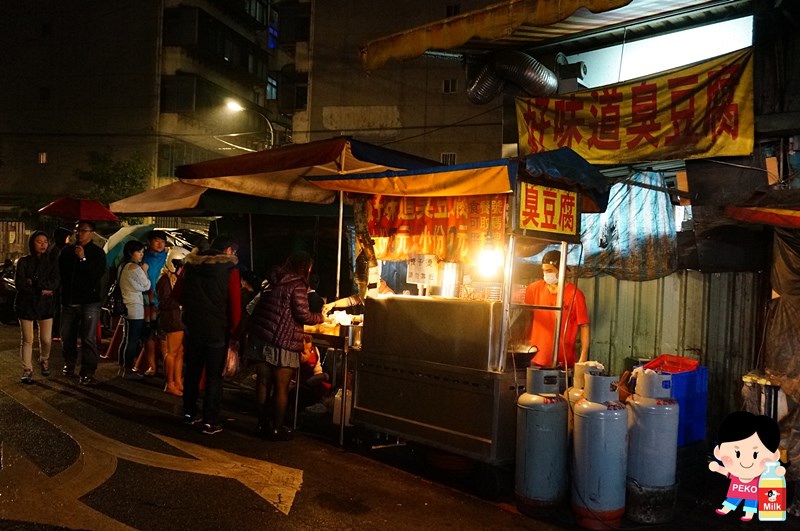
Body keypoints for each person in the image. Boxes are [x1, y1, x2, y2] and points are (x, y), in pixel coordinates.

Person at [248, 251, 324, 440]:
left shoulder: (271, 280)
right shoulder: (297, 285)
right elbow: (303, 315)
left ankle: (261, 424)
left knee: (263, 382)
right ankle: (277, 428)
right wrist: (320, 317)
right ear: (306, 268)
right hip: (283, 341)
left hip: (262, 336)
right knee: (281, 387)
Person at [173, 235, 241, 435]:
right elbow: (235, 307)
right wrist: (235, 333)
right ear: (228, 250)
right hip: (217, 331)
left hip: (194, 327)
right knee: (213, 377)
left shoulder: (191, 266)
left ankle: (188, 414)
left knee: (192, 372)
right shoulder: (230, 271)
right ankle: (210, 420)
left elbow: (176, 294)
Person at [709, 411, 785, 522]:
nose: (745, 461)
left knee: (751, 503)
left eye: (755, 454)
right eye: (737, 453)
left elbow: (772, 475)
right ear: (718, 452)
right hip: (737, 489)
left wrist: (777, 471)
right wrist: (718, 468)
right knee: (732, 500)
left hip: (753, 492)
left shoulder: (762, 475)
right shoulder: (735, 473)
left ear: (774, 456)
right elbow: (726, 472)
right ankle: (726, 509)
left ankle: (748, 515)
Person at [59, 220, 107, 385]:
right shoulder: (66, 251)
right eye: (77, 230)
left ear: (92, 232)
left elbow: (96, 275)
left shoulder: (97, 253)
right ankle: (70, 362)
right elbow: (60, 274)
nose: (79, 233)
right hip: (69, 300)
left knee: (88, 338)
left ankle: (88, 371)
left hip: (89, 301)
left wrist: (83, 259)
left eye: (83, 230)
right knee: (67, 335)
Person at [524, 250, 590, 368]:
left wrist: (583, 356)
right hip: (535, 357)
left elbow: (584, 326)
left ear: (562, 271)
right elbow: (524, 316)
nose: (546, 275)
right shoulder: (534, 289)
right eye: (544, 271)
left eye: (549, 271)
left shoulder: (575, 295)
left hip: (563, 360)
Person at [14, 231, 60, 383]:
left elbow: (55, 283)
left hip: (45, 306)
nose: (43, 244)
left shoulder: (52, 262)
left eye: (45, 241)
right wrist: (41, 290)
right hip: (26, 305)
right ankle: (27, 369)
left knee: (46, 339)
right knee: (27, 339)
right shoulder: (24, 261)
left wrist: (33, 283)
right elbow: (20, 284)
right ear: (32, 243)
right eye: (39, 241)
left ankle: (44, 359)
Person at [133, 230, 168, 376]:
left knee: (163, 336)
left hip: (164, 302)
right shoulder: (142, 257)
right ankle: (152, 367)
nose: (160, 244)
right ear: (149, 242)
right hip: (146, 301)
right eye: (156, 240)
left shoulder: (168, 257)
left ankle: (168, 368)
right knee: (148, 335)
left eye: (162, 241)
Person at [117, 240, 151, 379]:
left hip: (126, 306)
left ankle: (122, 368)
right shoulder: (135, 268)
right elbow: (146, 285)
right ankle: (128, 370)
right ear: (131, 252)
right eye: (138, 252)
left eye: (142, 252)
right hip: (135, 307)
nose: (141, 254)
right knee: (132, 340)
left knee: (126, 339)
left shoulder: (122, 266)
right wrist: (145, 271)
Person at [157, 246, 187, 396]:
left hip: (178, 320)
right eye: (181, 266)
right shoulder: (165, 280)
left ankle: (177, 381)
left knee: (179, 352)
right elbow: (164, 302)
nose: (183, 270)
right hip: (171, 320)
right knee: (172, 352)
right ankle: (169, 383)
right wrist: (182, 299)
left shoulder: (175, 279)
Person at [50, 226, 72, 341]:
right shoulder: (58, 250)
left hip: (58, 283)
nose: (69, 239)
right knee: (58, 308)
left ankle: (56, 332)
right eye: (67, 237)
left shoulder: (57, 249)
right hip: (58, 284)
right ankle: (56, 332)